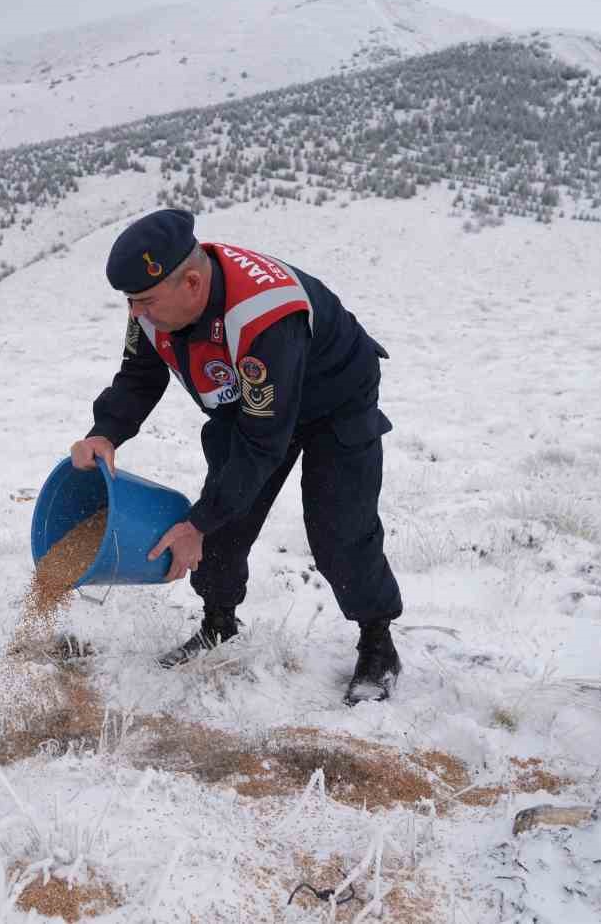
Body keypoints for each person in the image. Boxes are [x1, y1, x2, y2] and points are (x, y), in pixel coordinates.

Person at [69, 208, 403, 704]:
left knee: (339, 528)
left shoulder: (263, 316)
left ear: (193, 283)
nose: (137, 313)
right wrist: (105, 433)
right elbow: (140, 376)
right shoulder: (153, 302)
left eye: (146, 302)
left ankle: (378, 643)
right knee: (224, 520)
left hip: (334, 399)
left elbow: (263, 444)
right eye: (132, 302)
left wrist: (196, 524)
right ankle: (219, 623)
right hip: (249, 401)